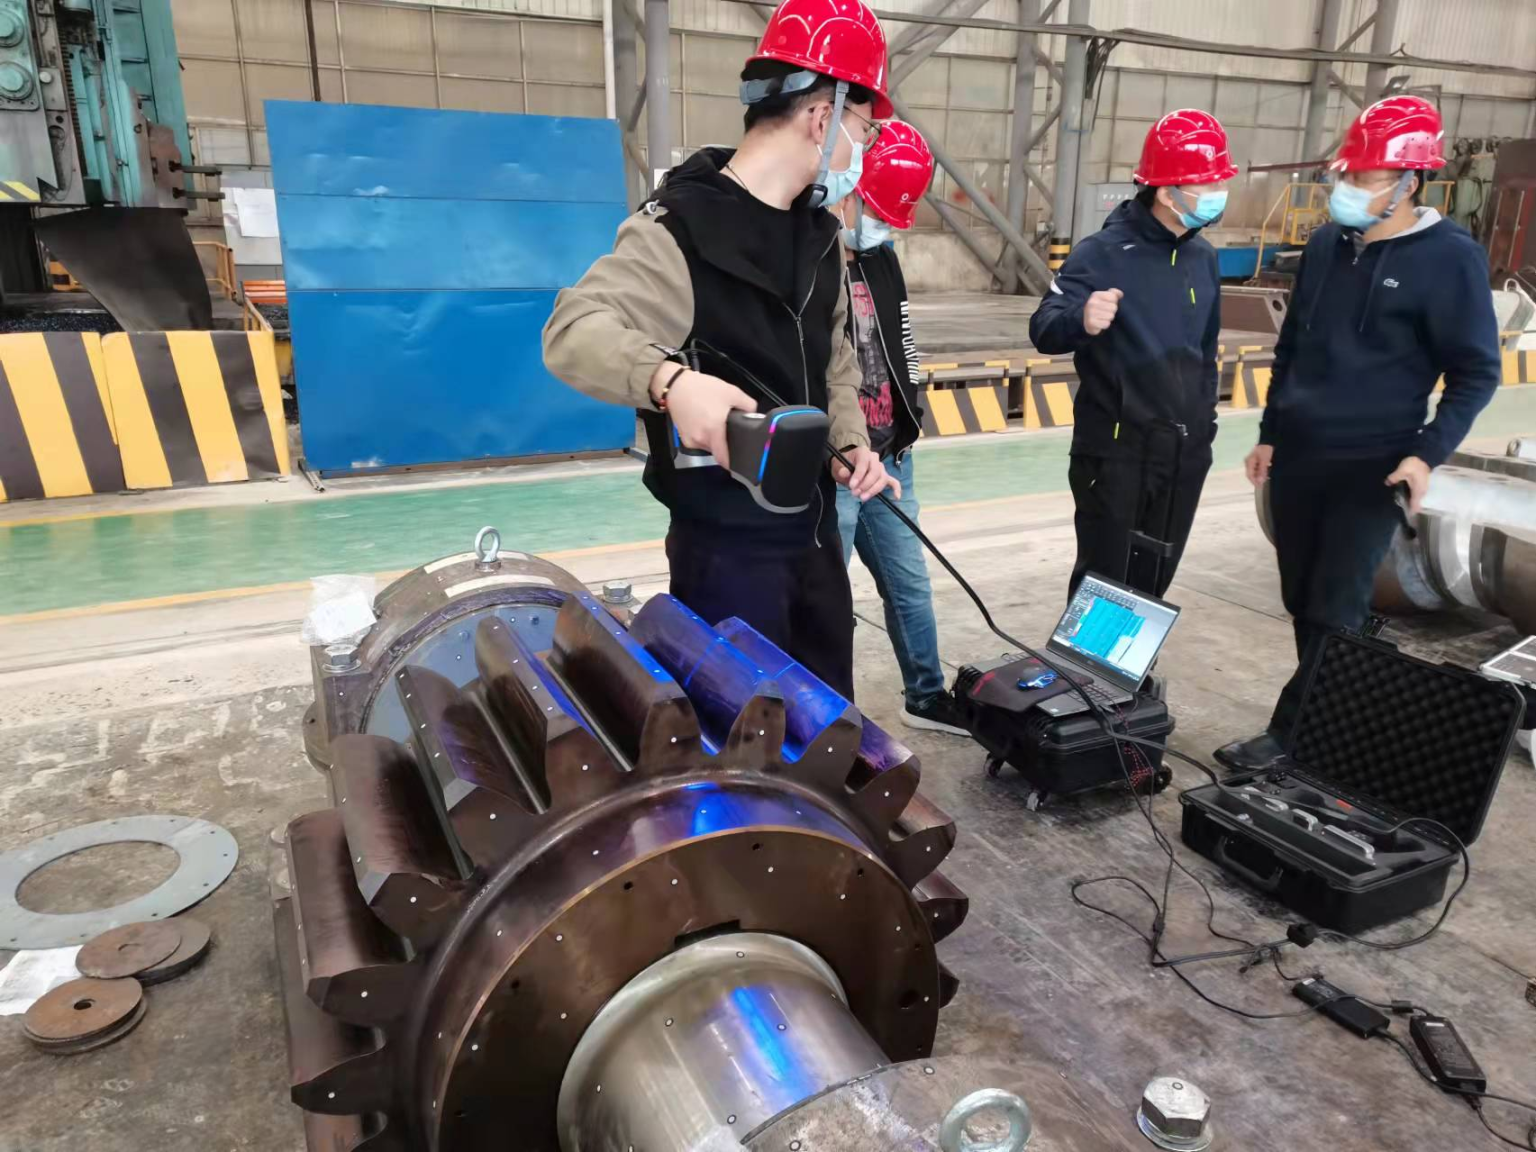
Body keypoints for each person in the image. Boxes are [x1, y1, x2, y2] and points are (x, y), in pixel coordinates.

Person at [541, 0, 899, 700]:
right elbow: (572, 330)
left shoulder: (821, 238)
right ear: (821, 118)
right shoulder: (678, 231)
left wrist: (851, 443)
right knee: (744, 741)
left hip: (817, 541)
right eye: (865, 128)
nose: (864, 149)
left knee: (829, 727)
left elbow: (836, 361)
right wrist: (669, 382)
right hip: (726, 560)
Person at [1216, 96, 1502, 772]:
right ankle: (1347, 703)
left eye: (1364, 177)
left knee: (1334, 604)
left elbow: (1476, 372)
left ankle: (1300, 740)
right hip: (1299, 457)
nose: (1345, 187)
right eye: (1345, 173)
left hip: (1374, 463)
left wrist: (1425, 454)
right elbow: (1294, 348)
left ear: (1410, 182)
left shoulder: (1450, 260)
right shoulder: (1324, 246)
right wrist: (1271, 432)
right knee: (1301, 598)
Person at [1029, 109, 1236, 599]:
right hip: (1117, 456)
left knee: (1152, 587)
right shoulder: (1102, 252)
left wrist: (1203, 431)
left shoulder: (1204, 258)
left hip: (1183, 456)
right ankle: (1091, 655)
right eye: (1208, 183)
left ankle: (1132, 653)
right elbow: (1043, 327)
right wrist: (1081, 317)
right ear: (1167, 192)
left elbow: (1205, 354)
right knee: (1104, 586)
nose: (1219, 192)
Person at [831, 121, 965, 734]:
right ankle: (828, 715)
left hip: (890, 460)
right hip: (834, 468)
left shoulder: (882, 260)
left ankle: (927, 696)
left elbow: (901, 343)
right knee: (826, 600)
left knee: (909, 586)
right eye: (876, 213)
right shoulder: (806, 261)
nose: (882, 228)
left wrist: (910, 418)